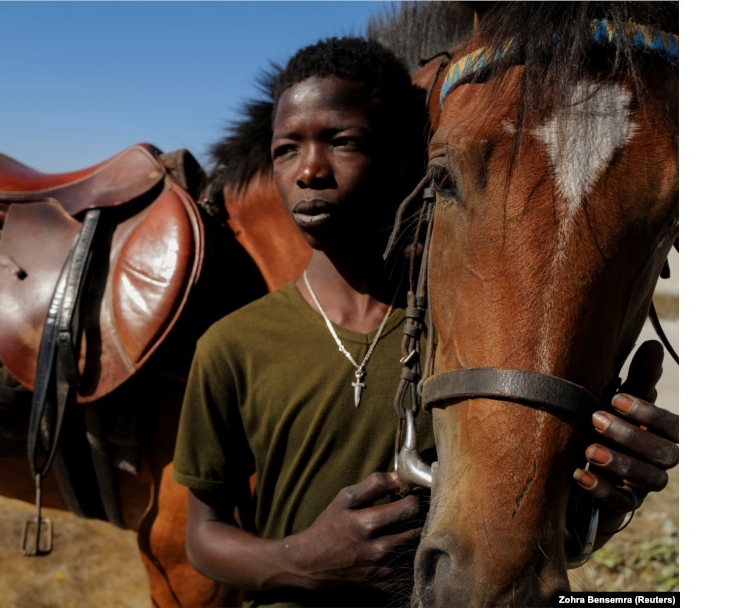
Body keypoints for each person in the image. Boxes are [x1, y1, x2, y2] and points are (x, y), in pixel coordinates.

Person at [171, 37, 678, 607]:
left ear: (404, 157)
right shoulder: (230, 344)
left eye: (344, 141)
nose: (309, 170)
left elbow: (523, 537)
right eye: (286, 148)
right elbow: (202, 536)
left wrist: (595, 507)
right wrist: (304, 560)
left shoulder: (471, 337)